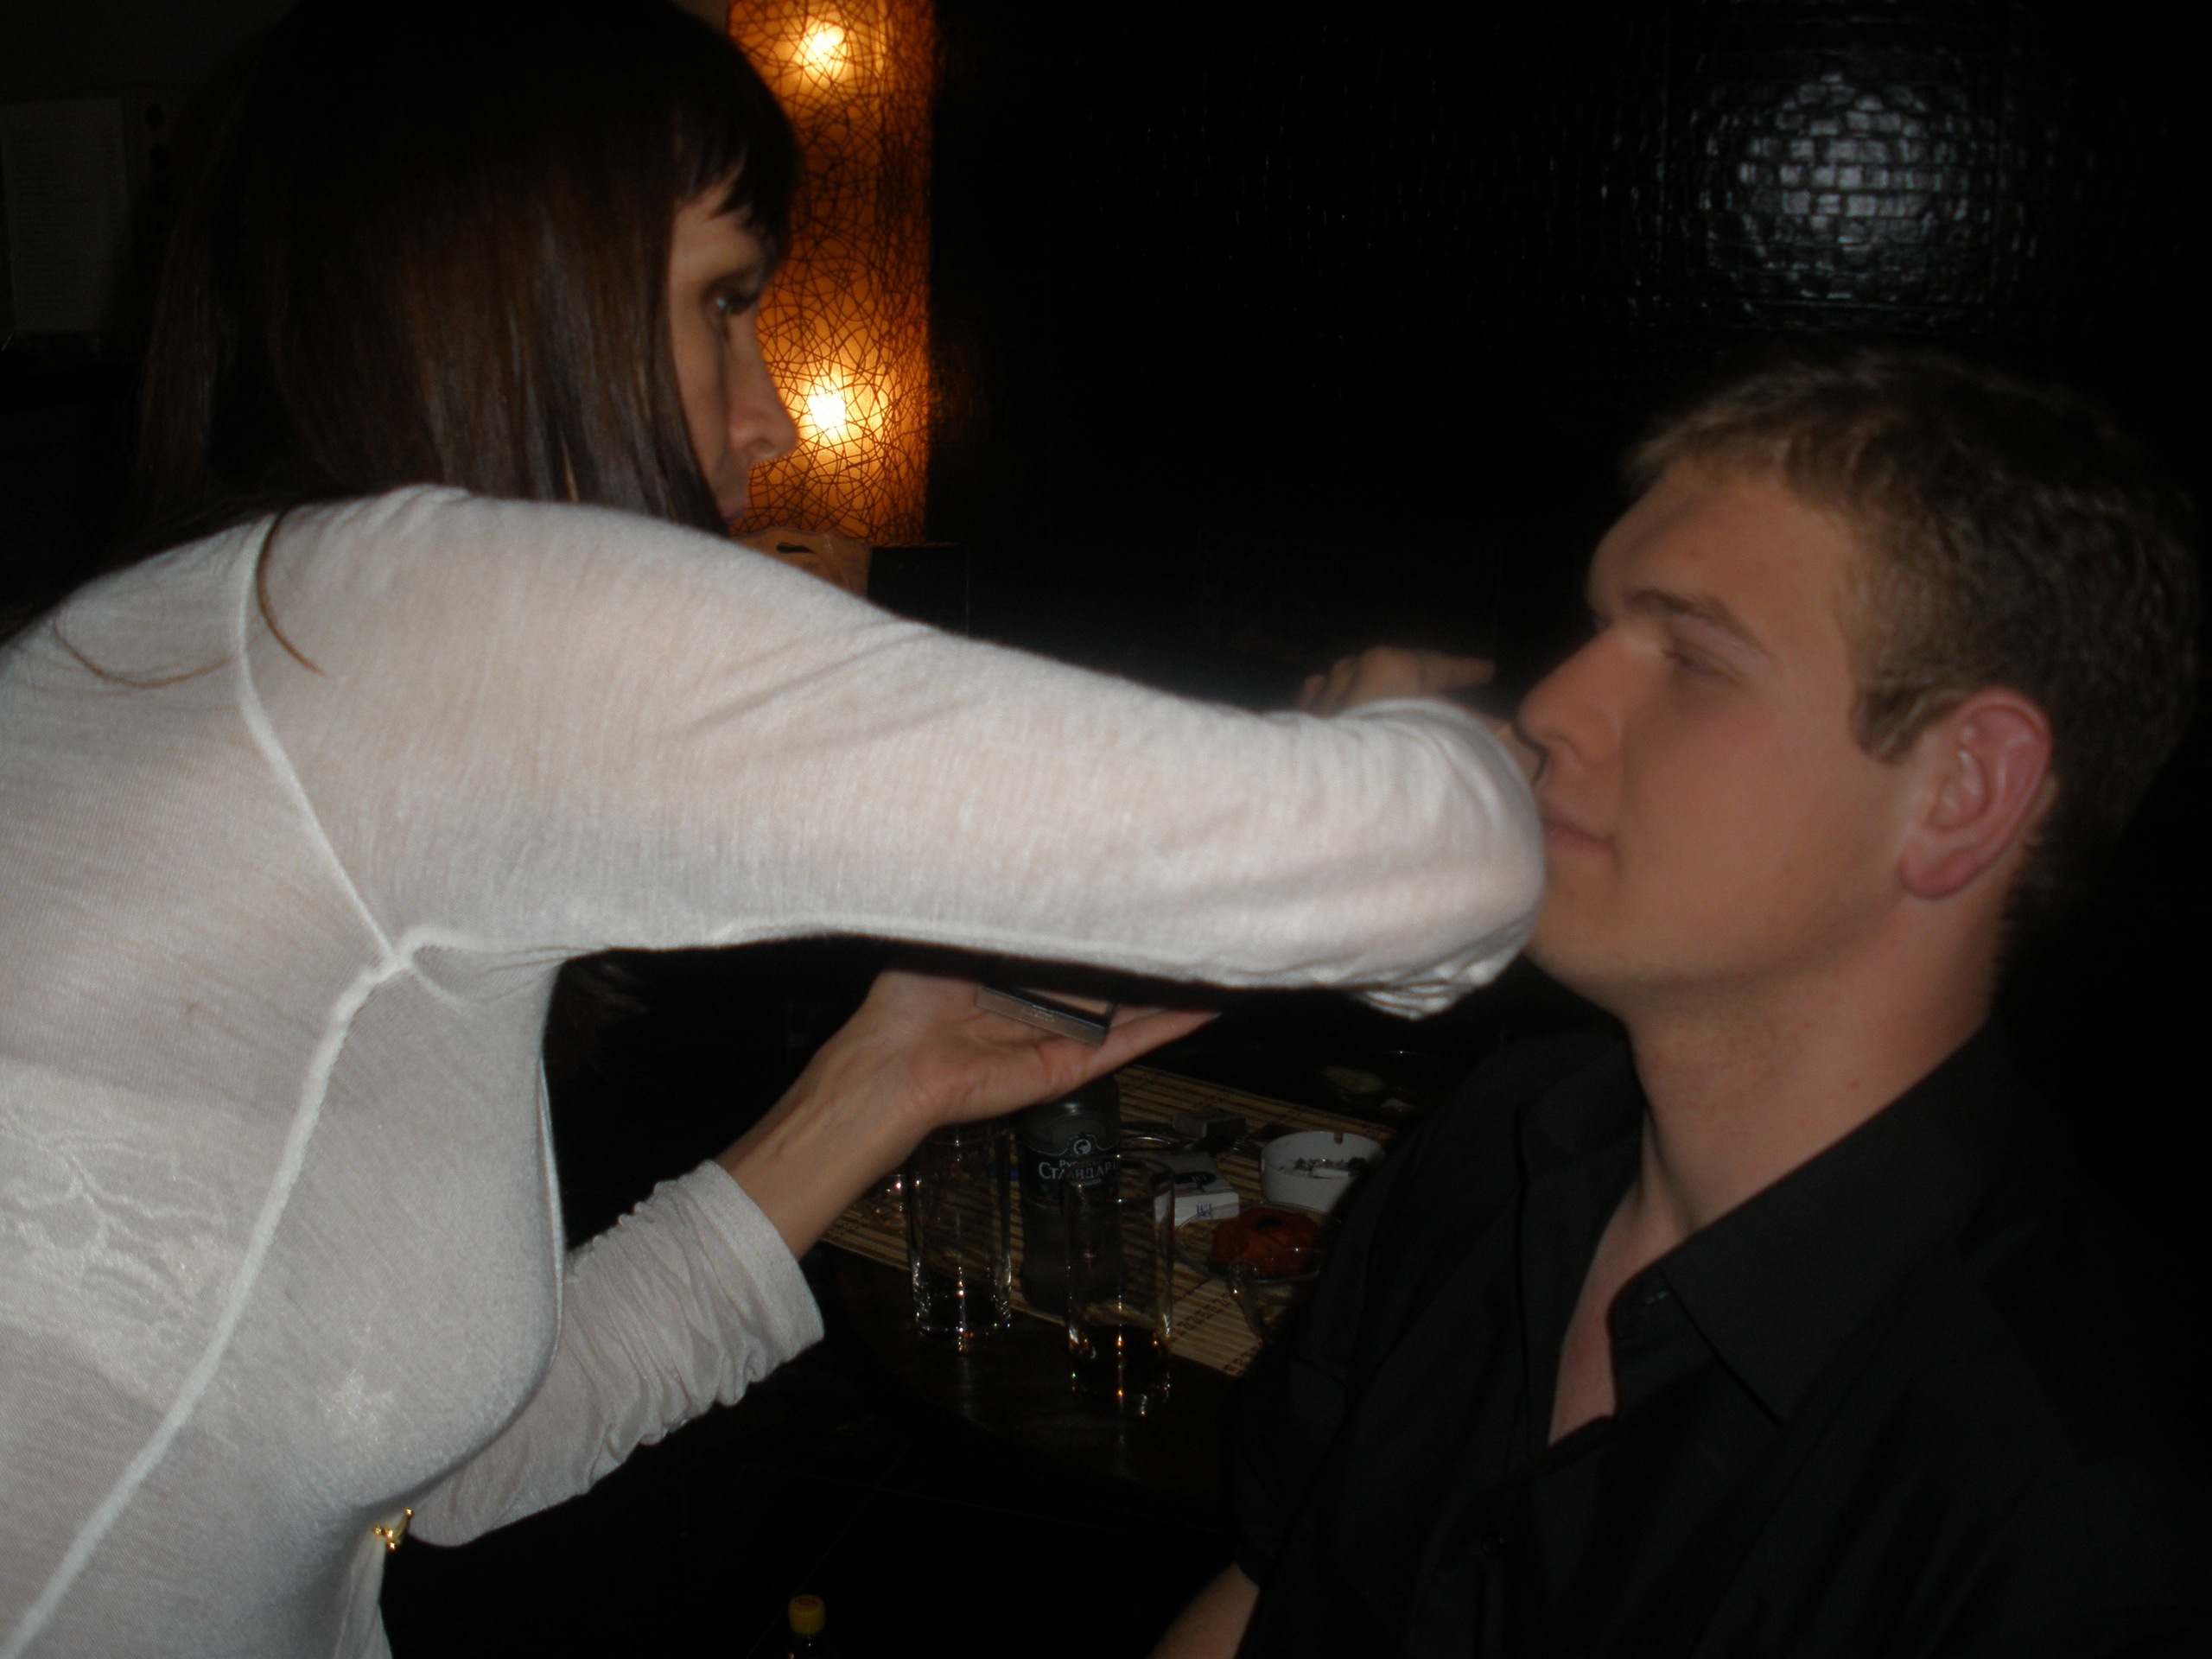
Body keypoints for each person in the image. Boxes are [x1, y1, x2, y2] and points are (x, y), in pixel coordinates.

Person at [0, 3, 1545, 1654]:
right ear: (513, 294)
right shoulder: (419, 618)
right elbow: (1432, 869)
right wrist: (1444, 731)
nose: (775, 417)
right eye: (723, 303)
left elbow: (407, 1483)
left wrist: (882, 1084)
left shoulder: (179, 644)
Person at [1158, 346, 2209, 1657]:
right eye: (1598, 629)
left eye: (1695, 657)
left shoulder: (2080, 1508)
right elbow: (1267, 1591)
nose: (1553, 704)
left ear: (1962, 793)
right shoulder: (1498, 1141)